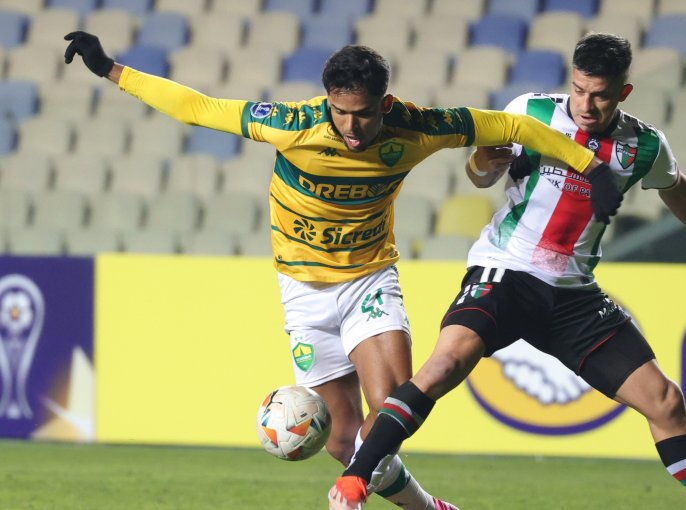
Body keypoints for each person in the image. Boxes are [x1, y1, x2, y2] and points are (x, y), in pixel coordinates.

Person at [62, 32, 623, 510]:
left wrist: (588, 165)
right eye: (342, 111)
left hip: (367, 282)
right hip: (302, 291)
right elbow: (198, 107)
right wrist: (111, 69)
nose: (353, 128)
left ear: (386, 101)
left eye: (365, 112)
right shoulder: (293, 124)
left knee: (391, 408)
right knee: (341, 442)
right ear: (327, 99)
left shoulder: (418, 127)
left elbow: (512, 126)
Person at [330, 33, 686, 510]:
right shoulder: (531, 112)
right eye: (579, 89)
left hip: (574, 295)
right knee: (446, 363)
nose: (587, 103)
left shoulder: (643, 145)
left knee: (664, 401)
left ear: (623, 92)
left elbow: (676, 188)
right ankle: (354, 481)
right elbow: (480, 172)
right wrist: (482, 164)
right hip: (507, 270)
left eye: (600, 94)